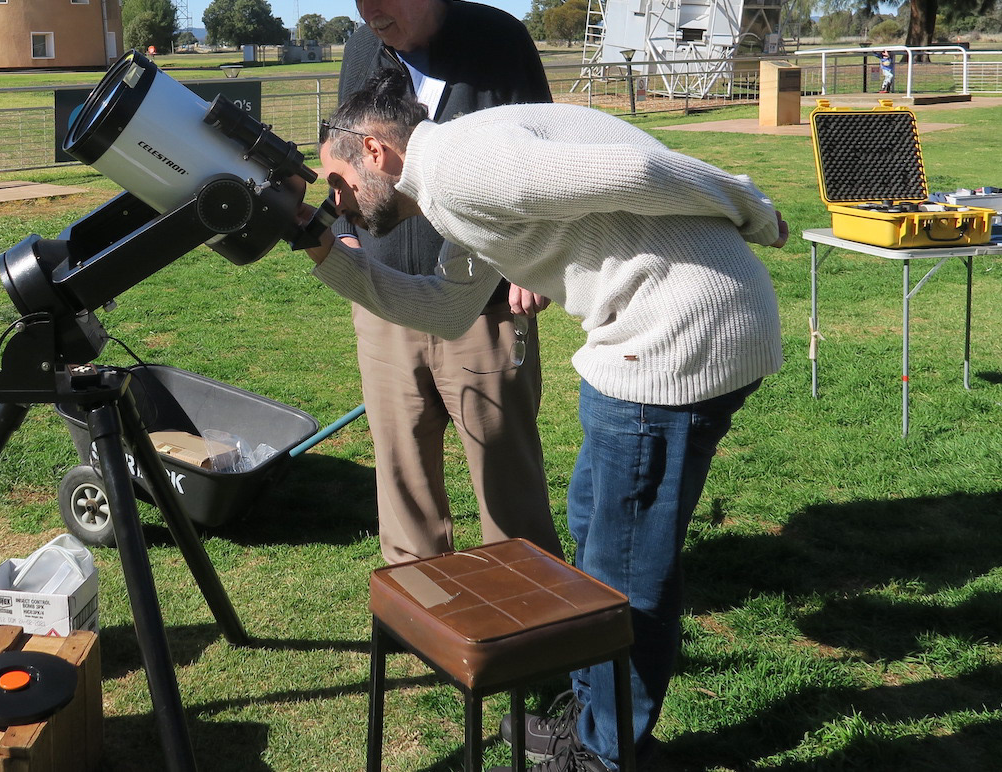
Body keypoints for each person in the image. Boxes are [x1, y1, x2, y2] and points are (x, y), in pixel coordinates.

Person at [297, 69, 787, 772]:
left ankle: (605, 756)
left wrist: (750, 208)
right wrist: (321, 252)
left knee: (626, 573)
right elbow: (445, 309)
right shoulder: (449, 186)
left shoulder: (463, 168)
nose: (337, 202)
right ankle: (596, 727)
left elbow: (637, 167)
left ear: (376, 151)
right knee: (596, 537)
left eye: (336, 180)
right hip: (657, 333)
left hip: (675, 335)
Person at [314, 0, 562, 566]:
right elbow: (350, 155)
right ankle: (423, 622)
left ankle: (529, 631)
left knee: (509, 491)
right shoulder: (362, 49)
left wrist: (532, 265)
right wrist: (345, 235)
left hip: (484, 310)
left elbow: (543, 167)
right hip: (385, 300)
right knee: (403, 489)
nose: (369, 10)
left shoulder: (499, 41)